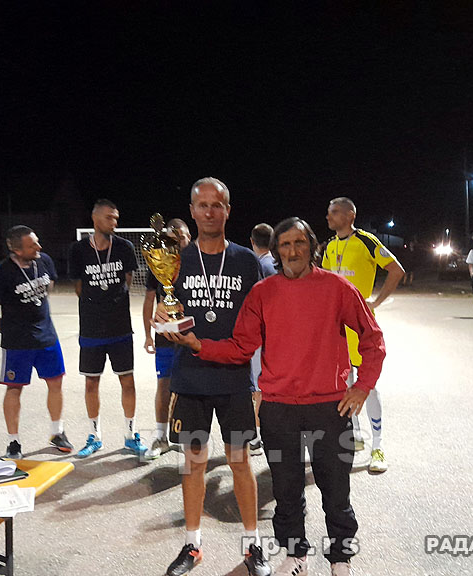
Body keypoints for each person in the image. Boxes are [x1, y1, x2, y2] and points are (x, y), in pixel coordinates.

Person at [167, 217, 385, 576]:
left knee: (336, 492)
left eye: (300, 242)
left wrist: (363, 386)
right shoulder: (263, 293)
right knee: (286, 491)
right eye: (285, 244)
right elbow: (241, 347)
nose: (293, 250)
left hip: (330, 408)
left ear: (312, 247)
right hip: (279, 410)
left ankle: (340, 559)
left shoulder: (337, 288)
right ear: (277, 250)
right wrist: (198, 345)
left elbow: (372, 337)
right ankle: (296, 555)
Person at [157, 177, 269, 576]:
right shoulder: (174, 260)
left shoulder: (245, 261)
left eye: (216, 204)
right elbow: (166, 311)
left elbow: (261, 319)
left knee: (240, 461)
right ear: (191, 211)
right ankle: (193, 545)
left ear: (227, 210)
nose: (209, 211)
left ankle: (253, 546)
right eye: (202, 205)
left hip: (234, 377)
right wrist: (162, 319)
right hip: (191, 378)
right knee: (193, 463)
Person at [322, 197, 404, 474]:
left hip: (359, 327)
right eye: (329, 212)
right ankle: (355, 434)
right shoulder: (329, 246)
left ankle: (378, 447)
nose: (329, 217)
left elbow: (396, 270)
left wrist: (375, 302)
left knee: (368, 386)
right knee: (344, 382)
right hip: (336, 329)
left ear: (350, 215)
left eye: (334, 212)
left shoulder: (367, 242)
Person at [0, 225, 71, 459]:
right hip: (18, 345)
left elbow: (48, 286)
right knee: (14, 389)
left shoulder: (44, 261)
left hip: (47, 337)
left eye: (37, 242)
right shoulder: (2, 273)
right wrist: (10, 332)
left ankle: (57, 432)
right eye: (32, 245)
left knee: (55, 382)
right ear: (17, 250)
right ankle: (13, 442)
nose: (38, 247)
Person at [68, 199, 147, 458]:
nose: (114, 222)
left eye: (116, 218)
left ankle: (130, 435)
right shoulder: (78, 250)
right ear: (95, 219)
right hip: (91, 328)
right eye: (109, 217)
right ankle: (95, 436)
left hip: (120, 326)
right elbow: (78, 287)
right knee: (91, 382)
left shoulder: (124, 247)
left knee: (128, 381)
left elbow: (127, 280)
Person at [143, 218, 191, 460]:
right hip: (165, 333)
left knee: (190, 386)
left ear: (189, 237)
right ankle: (161, 437)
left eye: (183, 237)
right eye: (174, 238)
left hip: (192, 332)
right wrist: (147, 335)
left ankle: (186, 436)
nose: (179, 242)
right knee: (164, 384)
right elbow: (149, 298)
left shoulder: (197, 261)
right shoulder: (159, 260)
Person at [248, 222, 277, 455]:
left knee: (259, 387)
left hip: (263, 335)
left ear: (252, 242)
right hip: (277, 334)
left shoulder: (259, 265)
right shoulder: (277, 263)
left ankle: (258, 437)